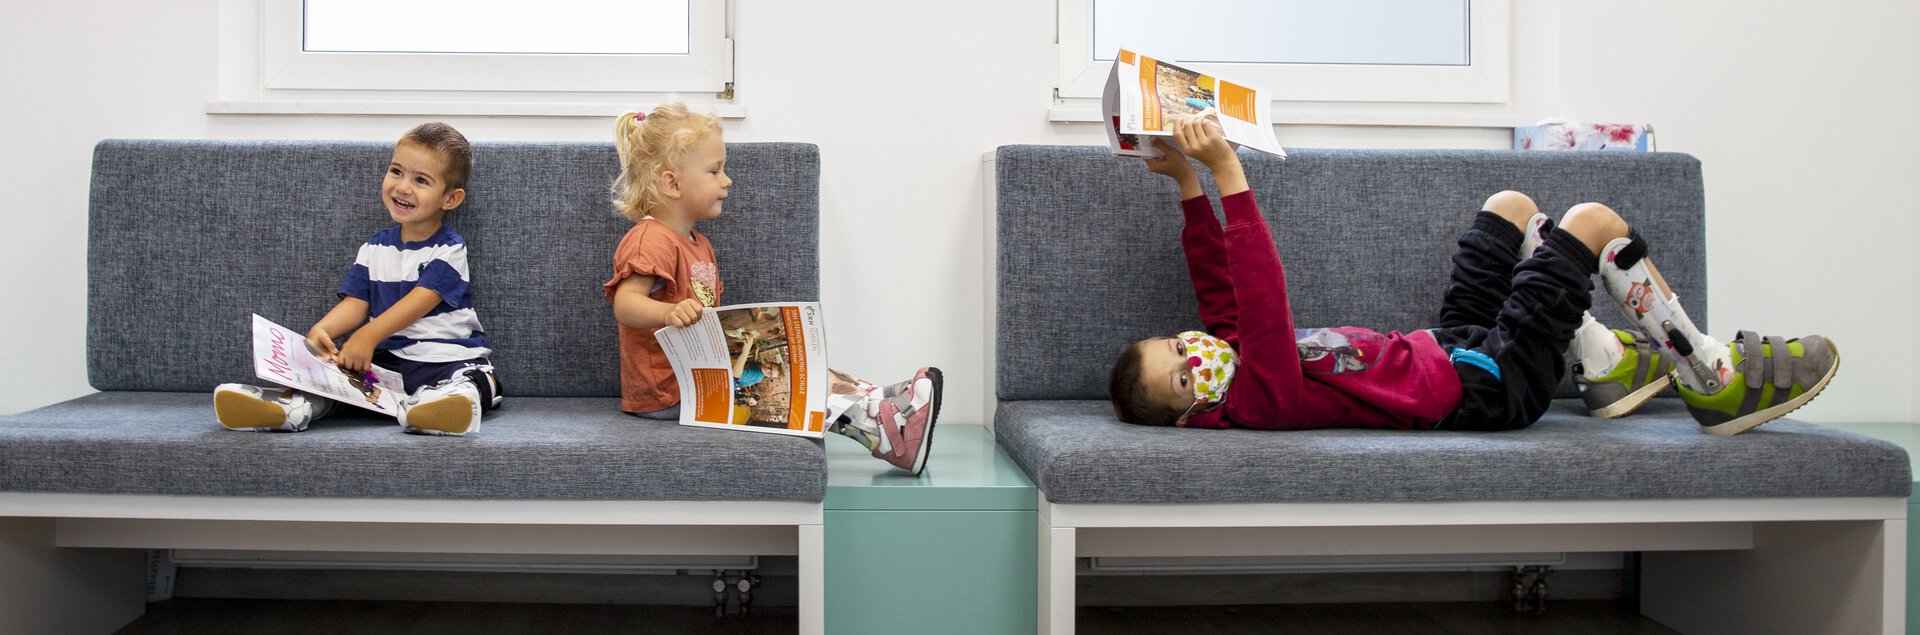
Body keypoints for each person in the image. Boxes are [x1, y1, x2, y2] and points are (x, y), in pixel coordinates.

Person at [1107, 117, 1837, 435]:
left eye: (1177, 344)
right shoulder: (1257, 400)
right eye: (1180, 376)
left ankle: (1603, 362)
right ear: (1189, 417)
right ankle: (1712, 377)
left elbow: (1220, 288)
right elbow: (1260, 293)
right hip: (1489, 388)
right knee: (1592, 220)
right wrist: (1230, 173)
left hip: (1451, 343)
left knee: (1509, 208)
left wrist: (1187, 186)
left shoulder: (1230, 357)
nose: (1193, 356)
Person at [604, 101, 942, 474]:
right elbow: (625, 304)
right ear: (671, 183)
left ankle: (884, 407)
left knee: (792, 367)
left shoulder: (697, 243)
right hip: (667, 394)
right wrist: (667, 311)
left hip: (699, 378)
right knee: (785, 386)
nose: (726, 180)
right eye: (715, 171)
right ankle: (888, 429)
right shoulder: (649, 240)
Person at [214, 123, 504, 436]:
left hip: (448, 360)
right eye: (396, 172)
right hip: (388, 366)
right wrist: (323, 329)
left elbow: (421, 299)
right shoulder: (373, 248)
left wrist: (367, 336)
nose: (403, 187)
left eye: (421, 180)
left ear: (450, 199)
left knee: (479, 380)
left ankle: (444, 408)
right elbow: (356, 303)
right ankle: (291, 408)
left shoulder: (449, 249)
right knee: (338, 379)